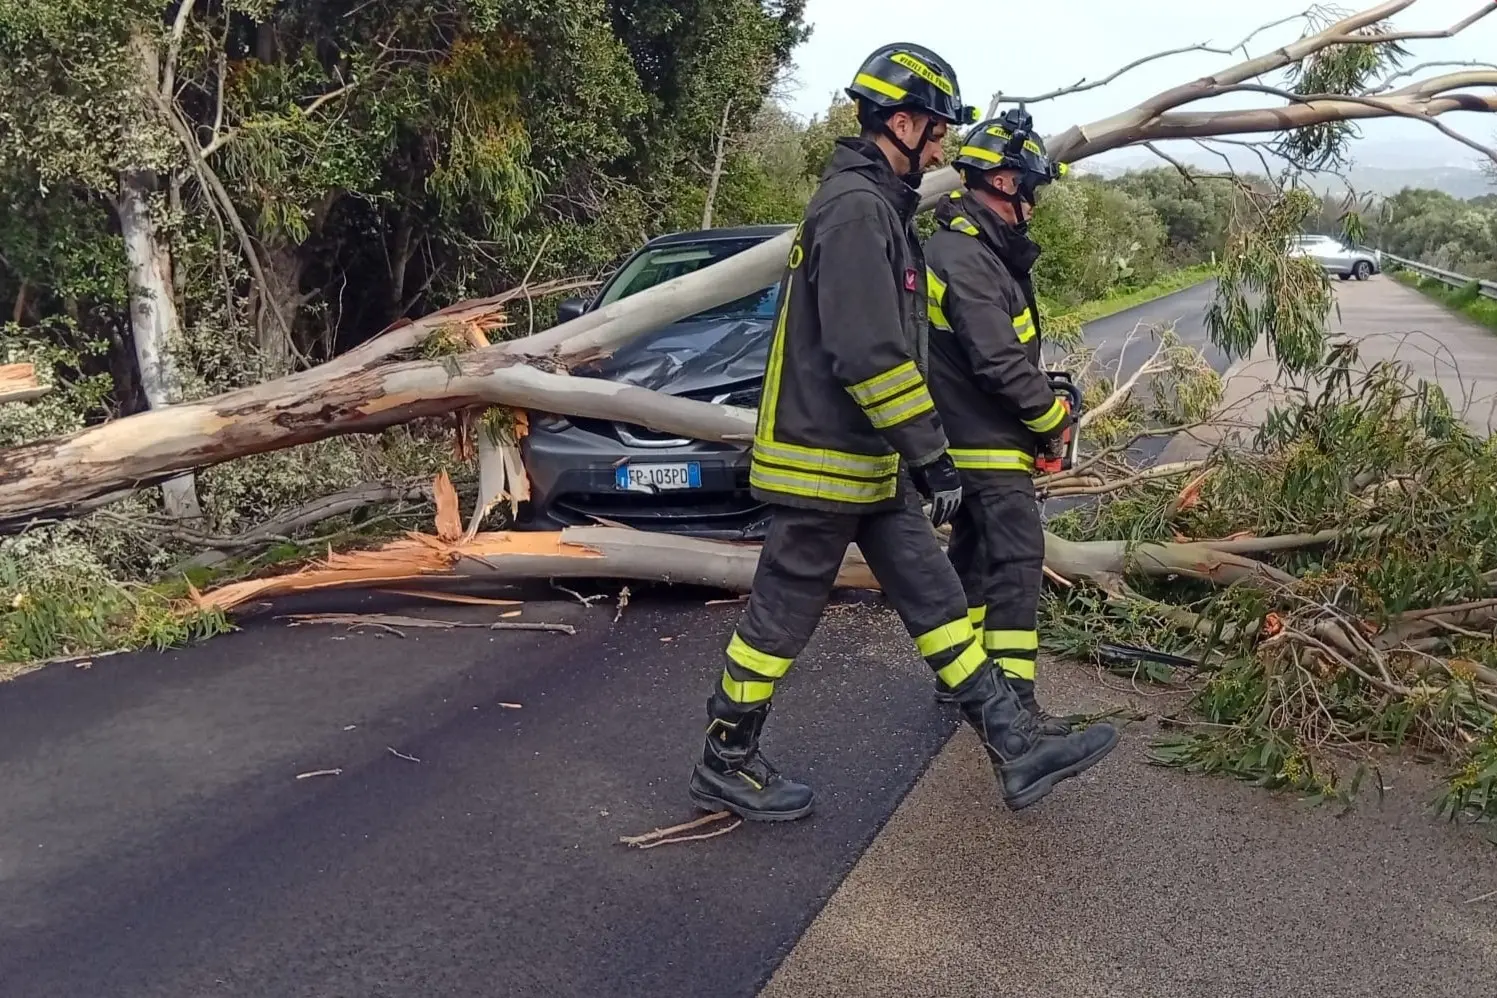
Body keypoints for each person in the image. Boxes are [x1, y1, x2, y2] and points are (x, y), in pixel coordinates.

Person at [686, 46, 1119, 823]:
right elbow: (868, 351)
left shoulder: (878, 206)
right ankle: (726, 755)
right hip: (826, 459)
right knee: (782, 613)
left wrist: (912, 454)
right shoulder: (856, 209)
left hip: (863, 460)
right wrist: (929, 452)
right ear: (902, 120)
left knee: (938, 594)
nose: (944, 147)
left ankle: (1013, 745)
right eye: (938, 131)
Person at [923, 108, 1076, 732]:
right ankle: (1013, 702)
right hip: (983, 445)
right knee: (1015, 563)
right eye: (1032, 191)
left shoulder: (974, 252)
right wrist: (1051, 419)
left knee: (976, 560)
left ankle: (963, 683)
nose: (1033, 209)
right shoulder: (966, 258)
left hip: (971, 441)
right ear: (1006, 184)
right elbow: (996, 360)